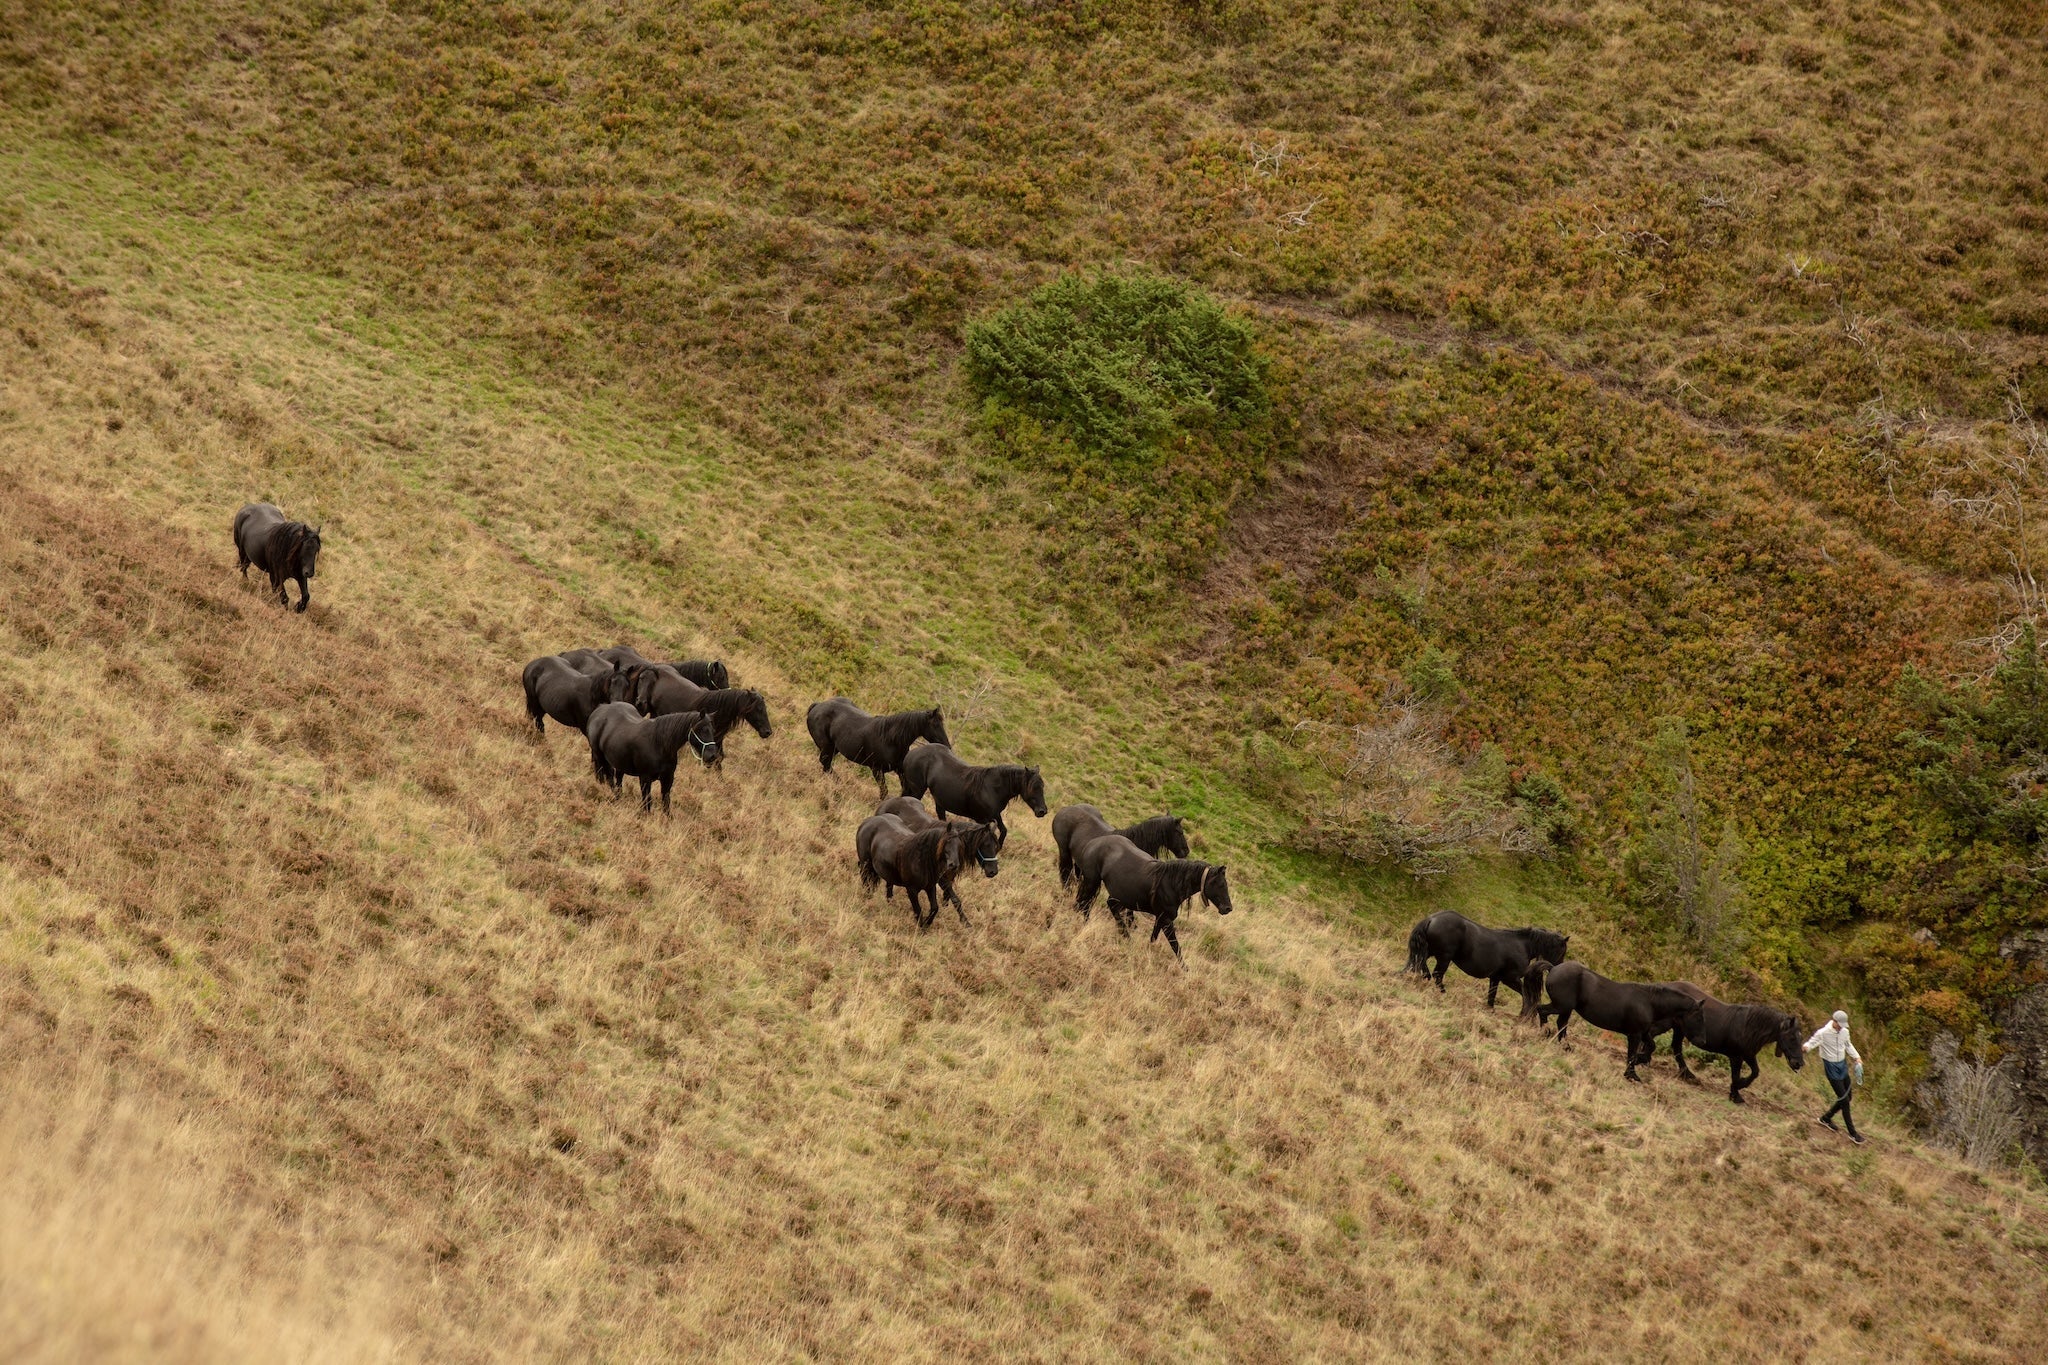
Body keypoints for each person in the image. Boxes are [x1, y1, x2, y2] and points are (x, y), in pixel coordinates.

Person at [1803, 1010, 1865, 1144]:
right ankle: (1853, 1134)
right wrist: (1805, 1048)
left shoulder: (1845, 1032)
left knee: (1848, 1097)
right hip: (1831, 1068)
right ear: (1834, 1021)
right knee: (1844, 1101)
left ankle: (1826, 1118)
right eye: (1840, 1024)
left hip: (1842, 1066)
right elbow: (1812, 1042)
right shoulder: (1823, 1033)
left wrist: (1857, 1058)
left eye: (1843, 1025)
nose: (1841, 1027)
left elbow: (1848, 1045)